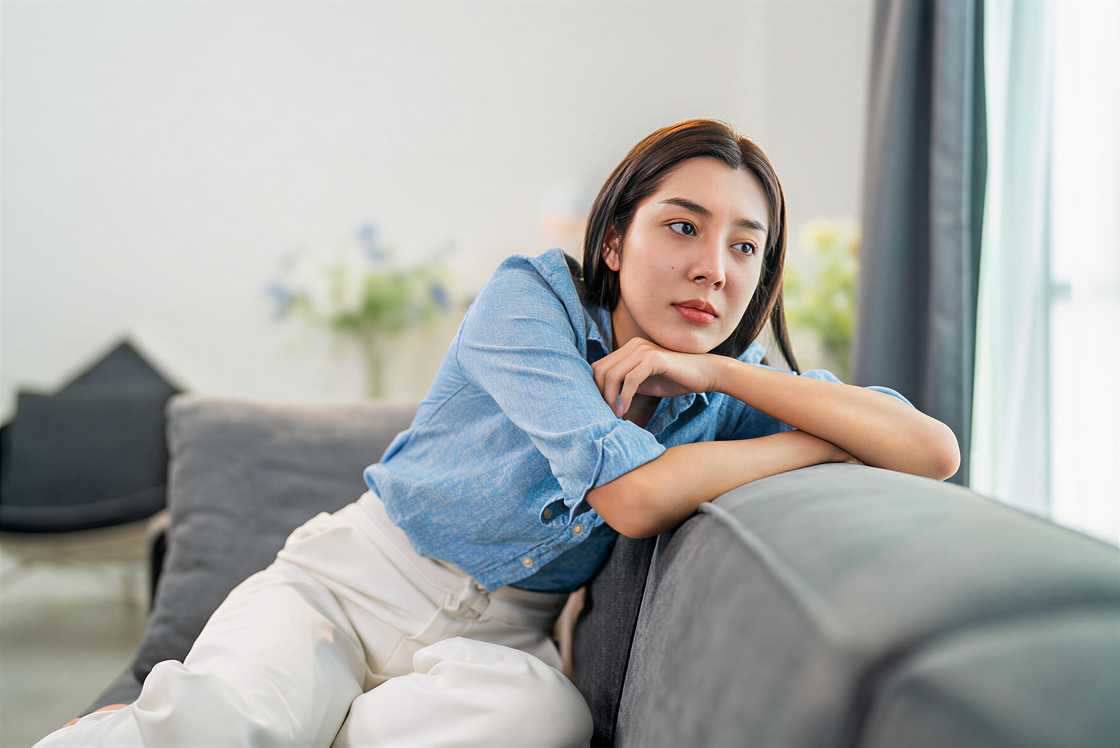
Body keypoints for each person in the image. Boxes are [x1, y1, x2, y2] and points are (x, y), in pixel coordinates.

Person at [35, 118, 958, 747]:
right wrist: (815, 442)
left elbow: (932, 451)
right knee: (228, 723)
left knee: (544, 722)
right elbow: (630, 498)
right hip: (348, 584)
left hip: (495, 643)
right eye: (684, 226)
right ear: (614, 239)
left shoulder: (729, 386)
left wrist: (720, 372)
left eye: (745, 246)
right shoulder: (535, 298)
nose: (714, 268)